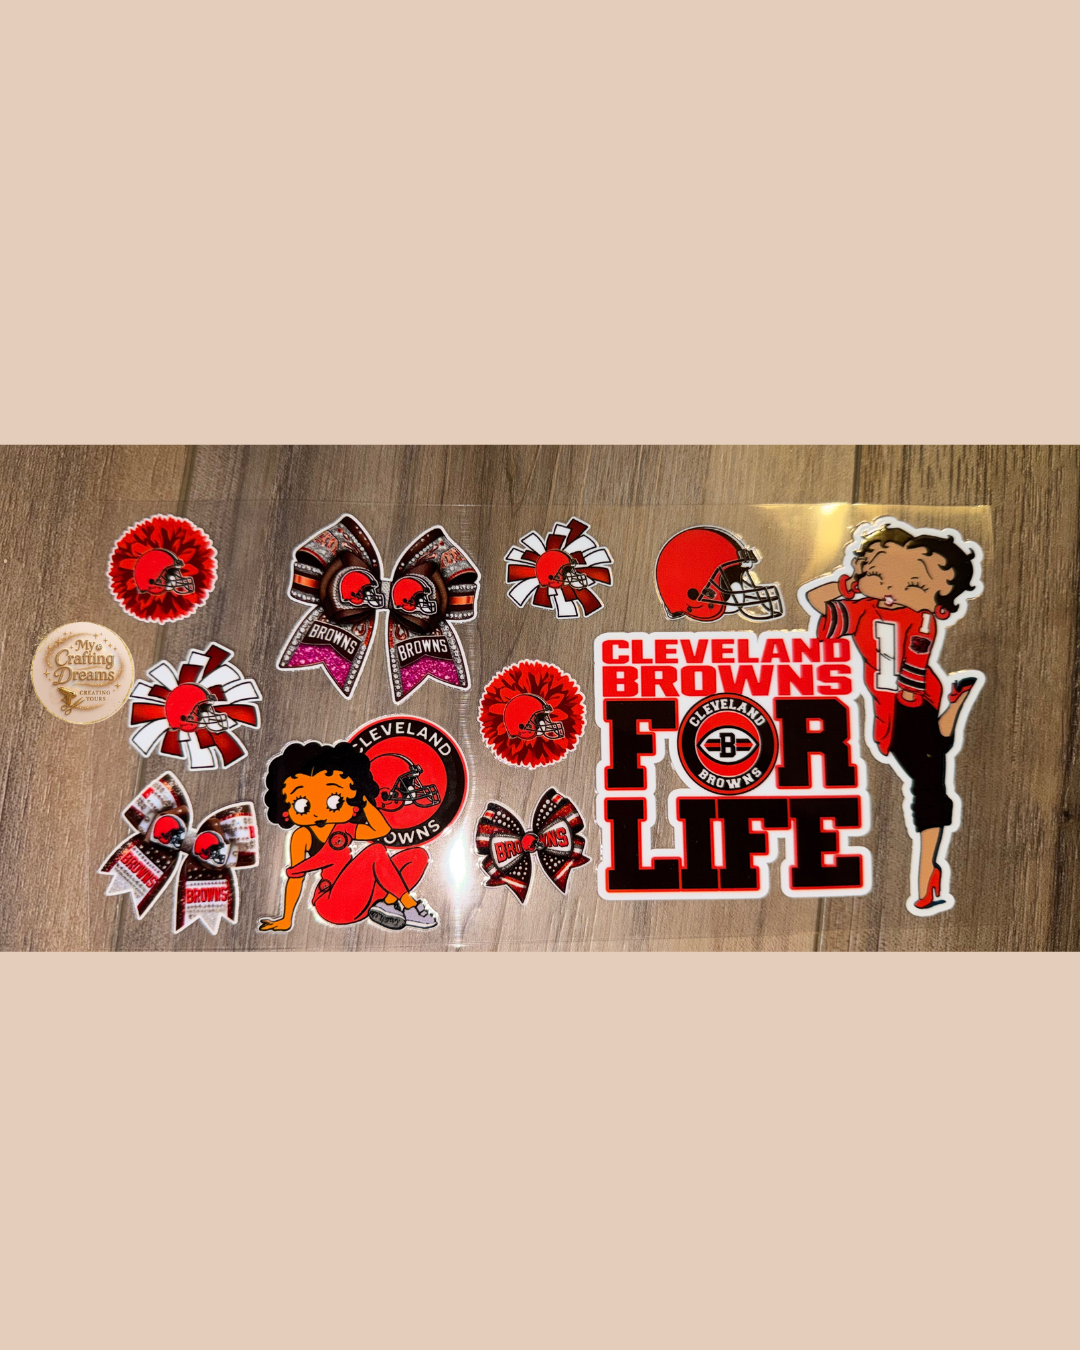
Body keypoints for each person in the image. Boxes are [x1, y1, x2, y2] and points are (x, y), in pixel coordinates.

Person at [803, 522, 982, 914]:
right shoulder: (864, 610)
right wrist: (855, 582)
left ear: (938, 603)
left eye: (917, 585)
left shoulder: (922, 620)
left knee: (928, 785)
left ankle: (927, 875)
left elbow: (914, 661)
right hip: (890, 713)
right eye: (902, 576)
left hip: (913, 703)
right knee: (927, 758)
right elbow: (816, 599)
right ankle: (954, 708)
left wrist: (912, 696)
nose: (900, 588)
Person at [260, 740, 437, 932]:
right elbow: (296, 877)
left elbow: (381, 830)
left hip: (363, 899)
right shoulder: (303, 835)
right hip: (333, 904)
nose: (318, 811)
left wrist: (364, 799)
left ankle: (387, 905)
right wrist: (286, 919)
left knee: (417, 856)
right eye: (302, 804)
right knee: (376, 851)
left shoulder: (344, 827)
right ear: (286, 808)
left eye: (334, 800)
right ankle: (410, 906)